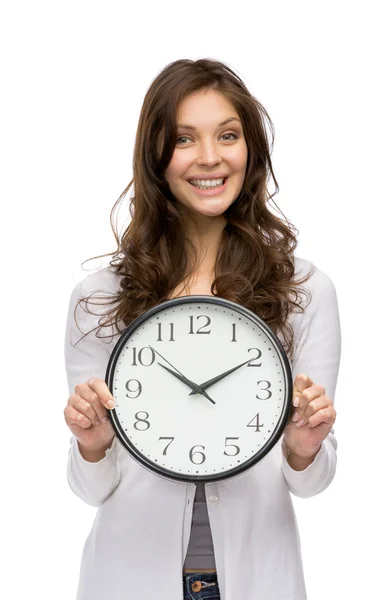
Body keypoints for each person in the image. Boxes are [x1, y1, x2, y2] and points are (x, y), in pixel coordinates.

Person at [64, 58, 341, 600]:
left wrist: (305, 446)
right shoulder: (99, 296)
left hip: (260, 578)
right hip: (128, 578)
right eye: (185, 138)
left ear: (251, 150)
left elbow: (311, 481)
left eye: (228, 135)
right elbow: (89, 488)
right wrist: (92, 444)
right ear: (156, 156)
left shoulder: (305, 290)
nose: (210, 157)